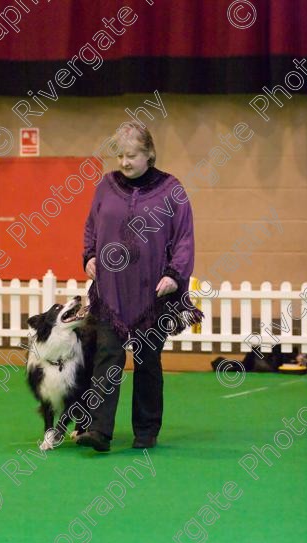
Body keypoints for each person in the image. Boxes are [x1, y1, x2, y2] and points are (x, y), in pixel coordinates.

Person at [76, 122, 202, 452]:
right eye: (119, 155)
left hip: (152, 294)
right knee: (106, 357)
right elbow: (91, 226)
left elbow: (184, 237)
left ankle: (146, 431)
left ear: (149, 154)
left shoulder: (171, 189)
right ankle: (99, 430)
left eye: (131, 155)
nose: (124, 162)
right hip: (110, 292)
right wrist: (89, 255)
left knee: (147, 362)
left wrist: (175, 274)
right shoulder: (105, 186)